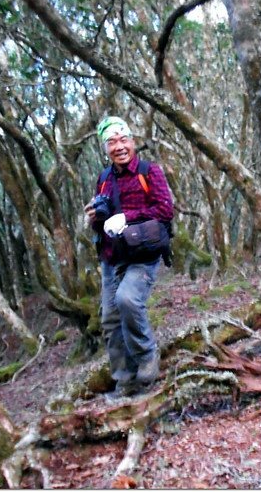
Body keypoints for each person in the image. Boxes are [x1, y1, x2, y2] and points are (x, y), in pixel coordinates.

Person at [85, 116, 174, 398]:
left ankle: (147, 355)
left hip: (143, 254)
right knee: (110, 319)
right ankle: (124, 380)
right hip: (112, 257)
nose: (119, 146)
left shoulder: (150, 172)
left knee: (127, 300)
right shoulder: (104, 178)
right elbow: (103, 219)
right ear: (105, 148)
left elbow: (164, 210)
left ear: (133, 142)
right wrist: (95, 217)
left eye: (123, 139)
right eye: (112, 142)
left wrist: (128, 217)